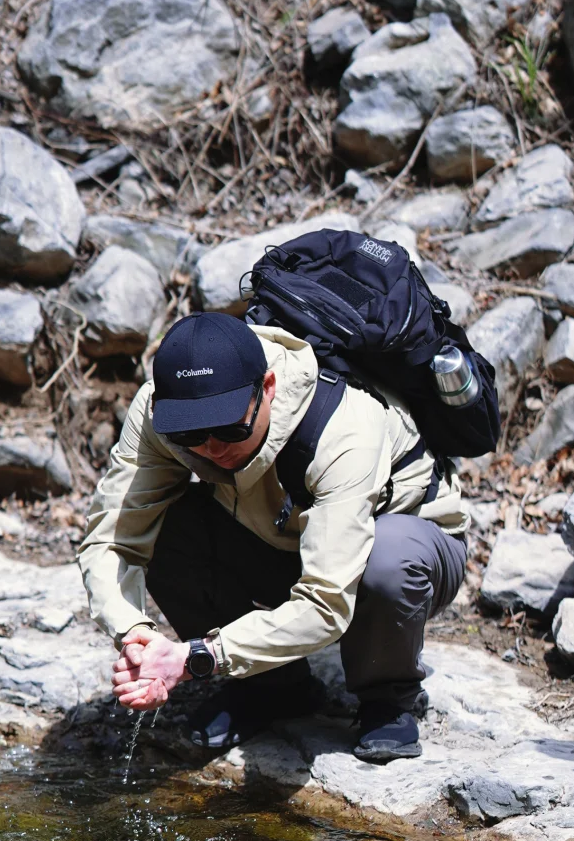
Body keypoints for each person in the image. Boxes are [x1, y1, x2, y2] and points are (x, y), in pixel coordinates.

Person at [78, 311, 468, 762]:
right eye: (189, 433)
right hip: (282, 536)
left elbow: (325, 603)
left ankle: (387, 696)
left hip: (406, 550)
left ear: (266, 389)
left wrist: (199, 657)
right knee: (167, 523)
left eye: (229, 427)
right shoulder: (159, 412)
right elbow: (111, 539)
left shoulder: (345, 429)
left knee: (387, 557)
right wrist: (134, 635)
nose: (211, 447)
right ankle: (274, 689)